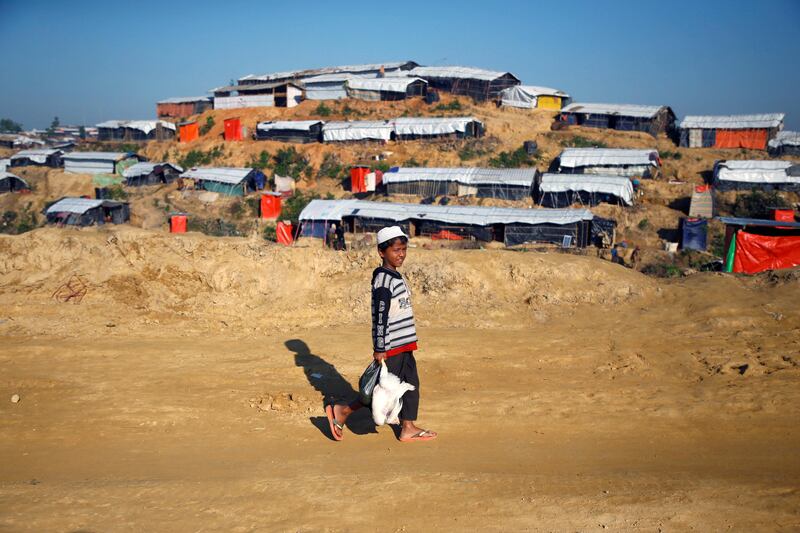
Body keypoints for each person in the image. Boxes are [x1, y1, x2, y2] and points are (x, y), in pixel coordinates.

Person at [325, 226, 437, 443]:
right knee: (379, 392)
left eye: (404, 249)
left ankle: (408, 427)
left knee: (410, 386)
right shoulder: (383, 280)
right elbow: (380, 315)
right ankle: (342, 412)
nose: (401, 254)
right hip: (391, 346)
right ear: (381, 252)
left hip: (405, 345)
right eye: (396, 250)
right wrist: (379, 348)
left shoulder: (396, 276)